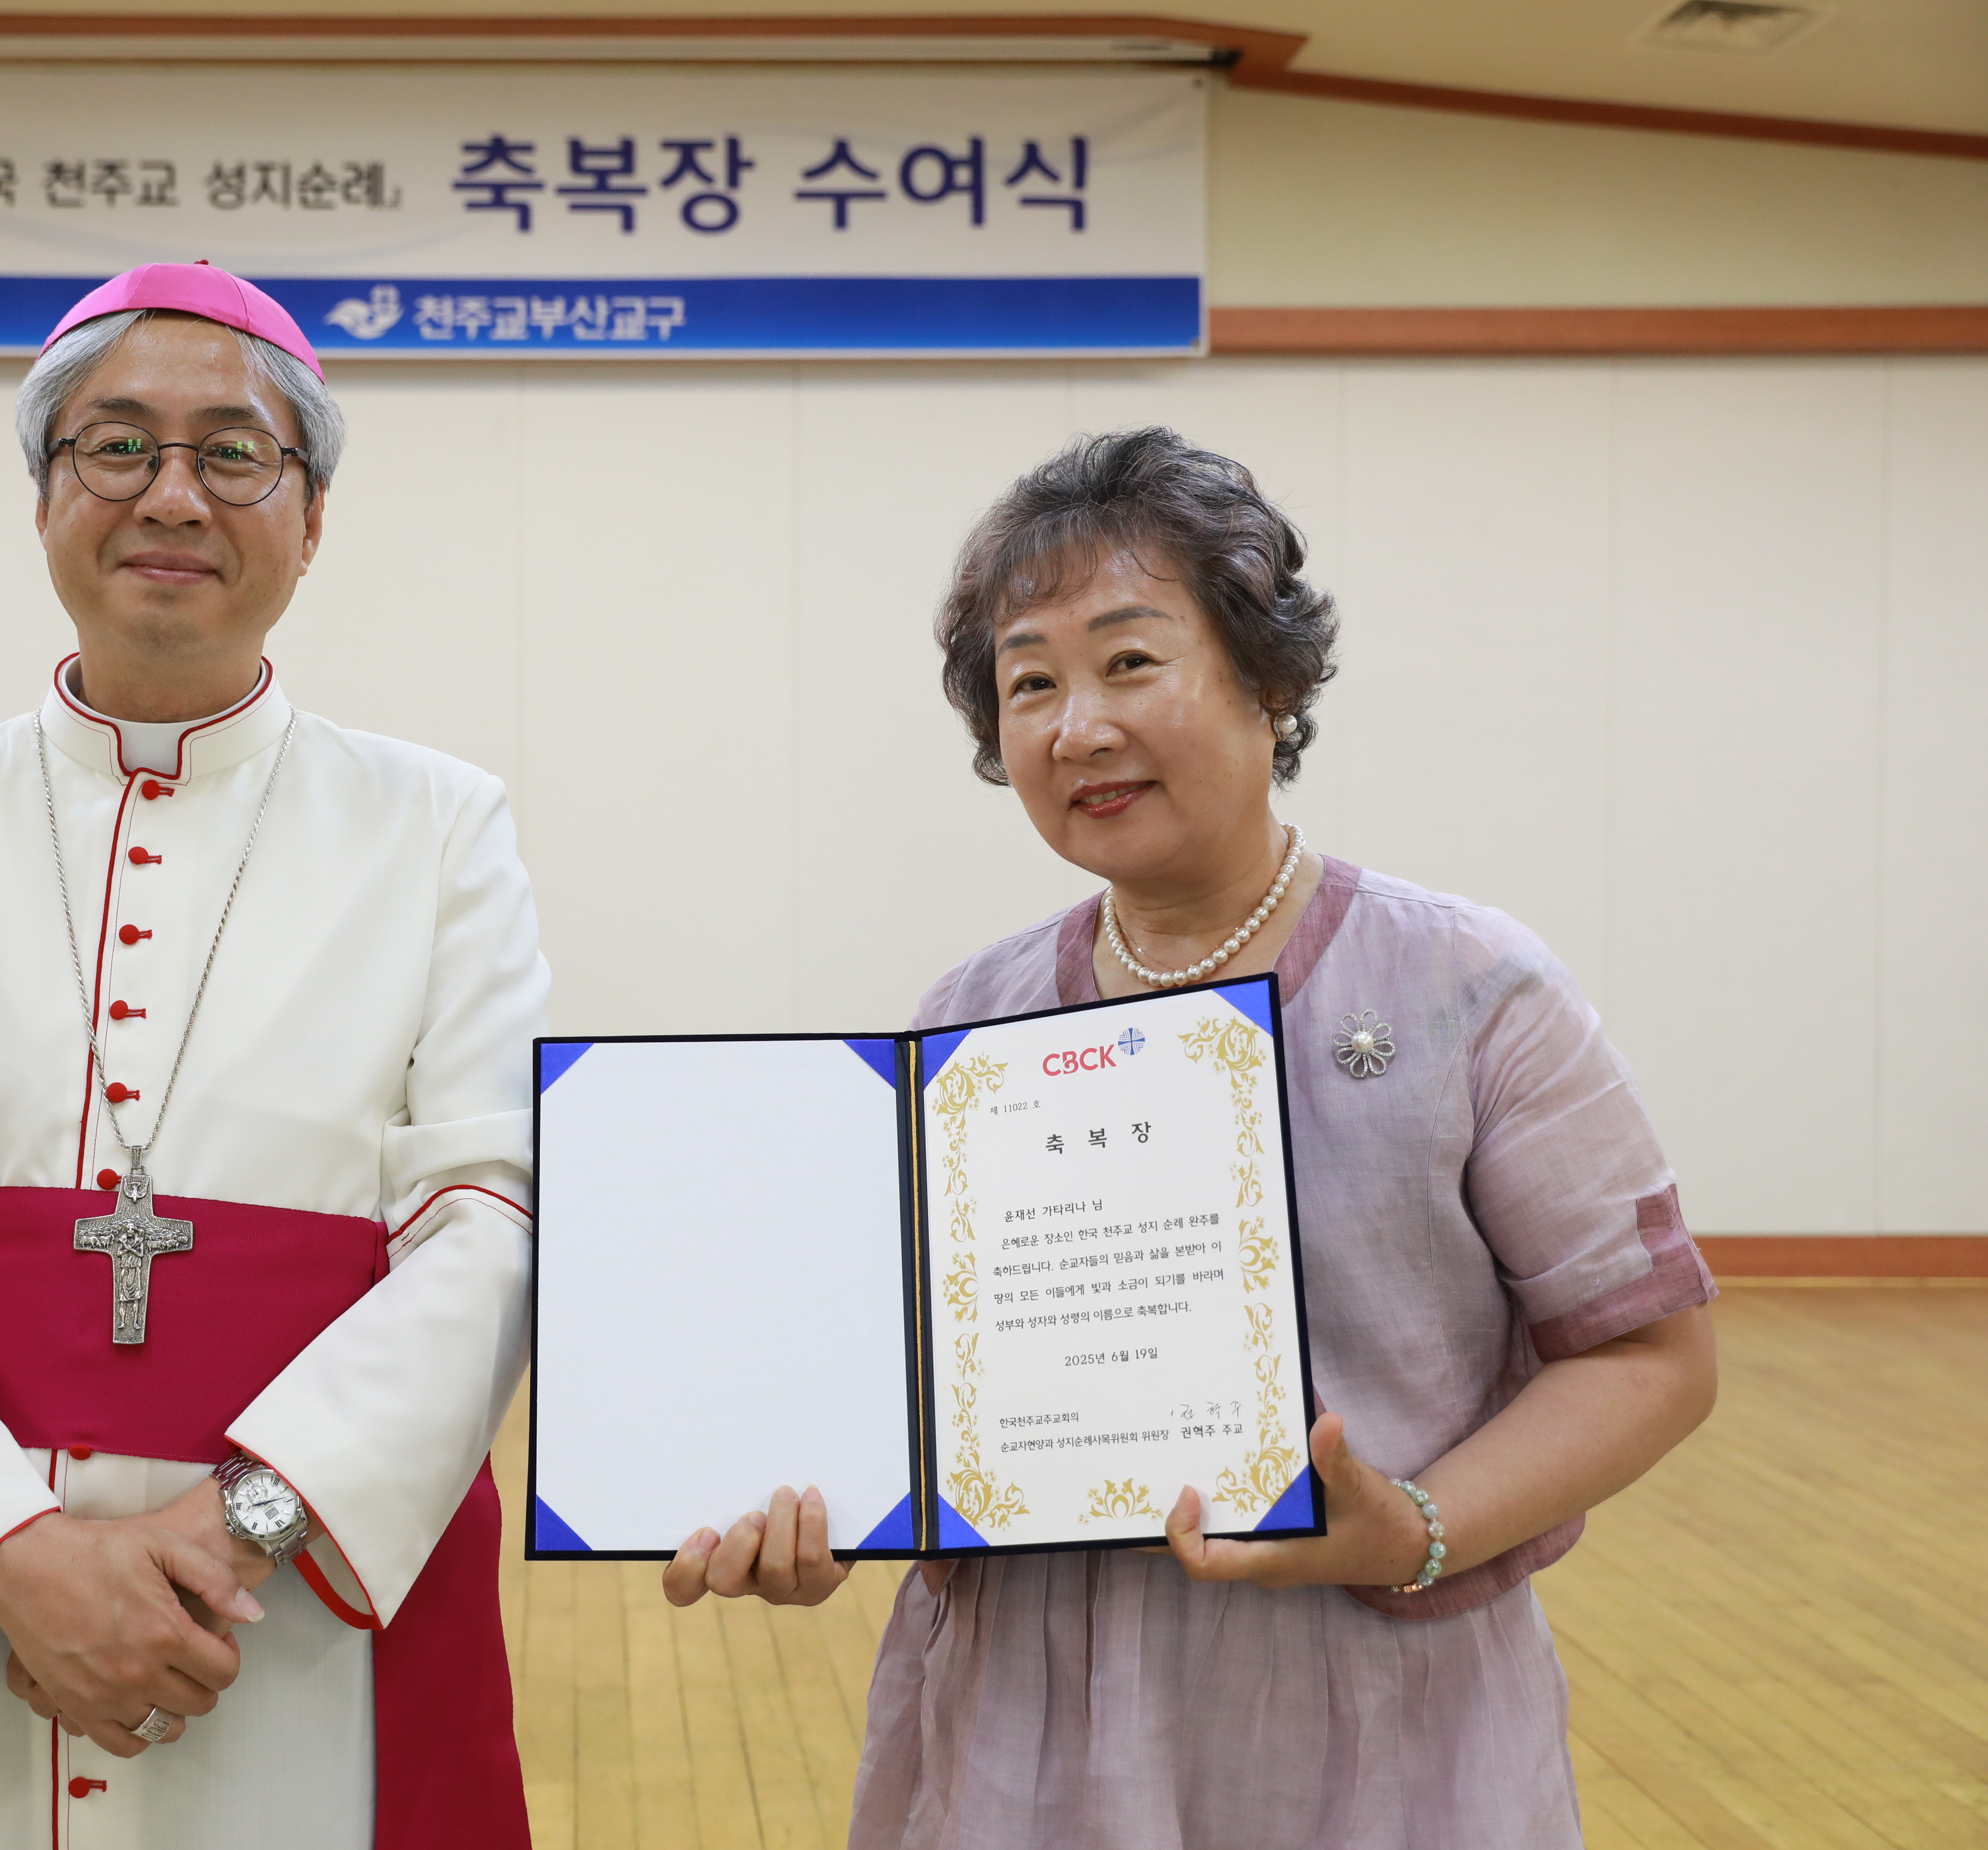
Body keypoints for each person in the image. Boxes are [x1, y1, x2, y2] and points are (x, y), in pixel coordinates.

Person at [663, 427, 1718, 1848]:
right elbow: (917, 1395)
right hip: (1026, 1727)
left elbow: (1652, 1353)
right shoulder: (965, 1021)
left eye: (1130, 660)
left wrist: (1416, 1522)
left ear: (1269, 681)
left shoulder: (1468, 987)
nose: (1075, 726)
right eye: (1028, 683)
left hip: (1371, 1708)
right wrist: (819, 1510)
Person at [0, 262, 543, 1850]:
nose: (173, 493)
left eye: (234, 453)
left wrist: (237, 1527)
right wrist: (18, 1555)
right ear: (44, 498)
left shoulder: (442, 828)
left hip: (300, 1611)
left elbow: (492, 1218)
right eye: (116, 446)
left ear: (310, 519)